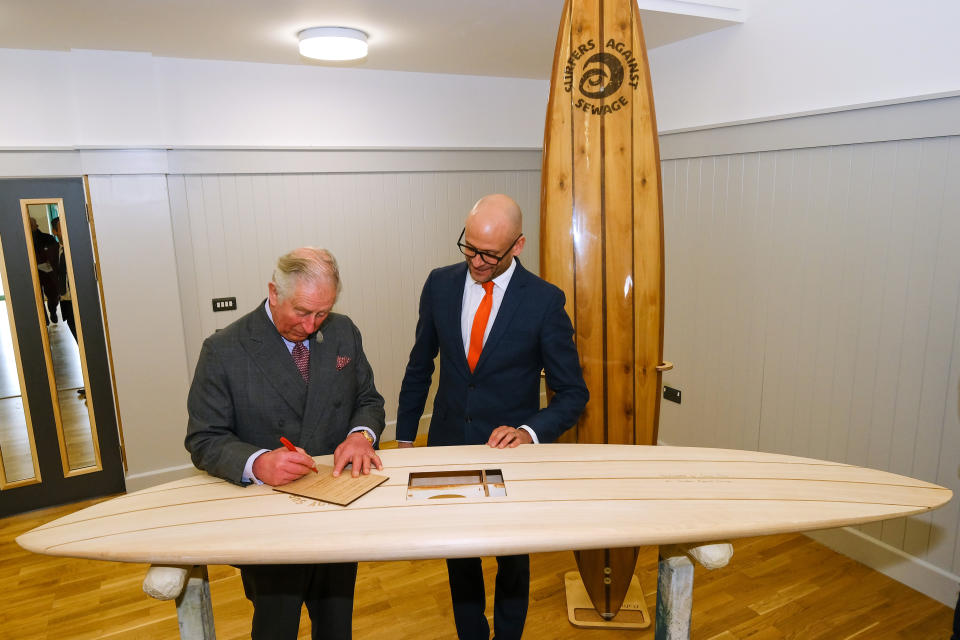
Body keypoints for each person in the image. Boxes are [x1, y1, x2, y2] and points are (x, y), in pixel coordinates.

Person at [395, 194, 588, 640]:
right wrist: (405, 441)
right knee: (459, 558)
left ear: (517, 247)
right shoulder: (439, 284)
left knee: (512, 562)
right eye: (469, 247)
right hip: (447, 445)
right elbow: (419, 366)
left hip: (510, 458)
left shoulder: (543, 301)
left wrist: (529, 431)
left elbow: (574, 393)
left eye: (489, 254)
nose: (476, 262)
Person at [185, 247, 386, 640]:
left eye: (322, 313)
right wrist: (257, 463)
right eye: (302, 312)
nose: (312, 326)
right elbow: (204, 438)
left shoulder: (344, 331)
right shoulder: (225, 349)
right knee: (275, 627)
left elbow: (368, 400)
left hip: (337, 509)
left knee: (335, 626)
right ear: (274, 292)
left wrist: (361, 436)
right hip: (270, 522)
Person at [29, 217, 60, 324]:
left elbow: (55, 254)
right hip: (33, 272)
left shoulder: (48, 238)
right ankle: (44, 320)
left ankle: (53, 311)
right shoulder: (23, 240)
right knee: (37, 297)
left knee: (53, 296)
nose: (30, 227)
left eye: (32, 225)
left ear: (36, 226)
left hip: (48, 272)